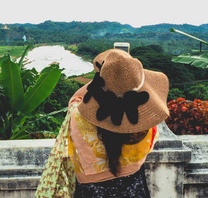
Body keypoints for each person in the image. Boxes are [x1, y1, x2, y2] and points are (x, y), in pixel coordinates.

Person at [67, 49, 169, 197]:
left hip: (90, 190)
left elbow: (75, 100)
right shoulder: (147, 124)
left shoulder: (77, 117)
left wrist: (101, 81)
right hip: (134, 186)